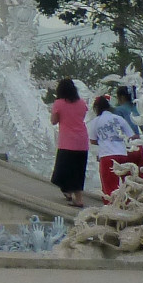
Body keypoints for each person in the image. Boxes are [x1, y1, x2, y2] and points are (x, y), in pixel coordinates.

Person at [49, 78, 90, 207]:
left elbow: (54, 121)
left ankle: (75, 197)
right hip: (82, 141)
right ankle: (74, 195)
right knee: (78, 170)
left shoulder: (59, 103)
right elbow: (81, 117)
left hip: (67, 142)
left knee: (63, 169)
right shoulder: (81, 103)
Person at [89, 95, 133, 199]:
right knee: (126, 185)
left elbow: (92, 140)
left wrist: (103, 140)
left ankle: (112, 207)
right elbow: (131, 136)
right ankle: (126, 204)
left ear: (96, 108)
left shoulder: (96, 121)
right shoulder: (118, 118)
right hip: (123, 154)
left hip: (107, 156)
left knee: (109, 187)